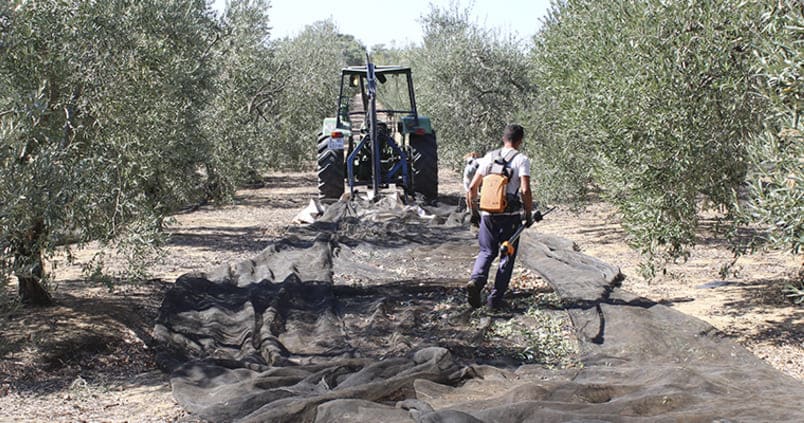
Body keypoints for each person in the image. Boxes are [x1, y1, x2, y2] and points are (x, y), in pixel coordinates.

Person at [464, 124, 532, 309]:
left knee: (486, 252)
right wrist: (527, 213)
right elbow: (525, 190)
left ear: (504, 138)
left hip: (488, 215)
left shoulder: (488, 158)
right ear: (520, 141)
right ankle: (494, 300)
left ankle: (476, 281)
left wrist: (474, 212)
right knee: (506, 256)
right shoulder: (521, 160)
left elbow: (472, 188)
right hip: (510, 217)